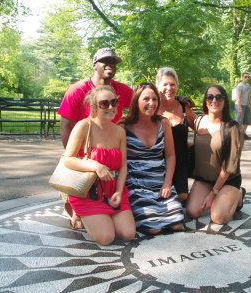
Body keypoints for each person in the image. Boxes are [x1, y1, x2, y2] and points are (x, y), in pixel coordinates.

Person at [57, 48, 133, 229]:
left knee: (125, 230)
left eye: (113, 61)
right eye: (105, 61)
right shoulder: (76, 91)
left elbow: (145, 102)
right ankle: (75, 203)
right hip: (85, 153)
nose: (110, 64)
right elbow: (65, 128)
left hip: (111, 153)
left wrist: (176, 101)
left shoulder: (122, 90)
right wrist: (77, 160)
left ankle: (108, 211)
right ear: (94, 65)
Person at [63, 85, 135, 245]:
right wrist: (96, 166)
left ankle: (102, 218)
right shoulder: (84, 126)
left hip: (112, 189)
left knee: (128, 234)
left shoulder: (119, 131)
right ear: (94, 106)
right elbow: (68, 159)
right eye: (104, 103)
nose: (111, 107)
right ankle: (78, 211)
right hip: (89, 192)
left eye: (114, 102)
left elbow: (123, 165)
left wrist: (118, 191)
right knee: (106, 237)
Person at [119, 82, 184, 234]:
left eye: (154, 99)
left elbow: (170, 155)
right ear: (136, 101)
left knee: (176, 224)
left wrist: (167, 184)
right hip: (136, 182)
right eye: (146, 99)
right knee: (153, 228)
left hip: (160, 181)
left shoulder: (163, 123)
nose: (151, 103)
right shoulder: (123, 126)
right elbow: (119, 160)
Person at [186, 84, 246, 225]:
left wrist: (213, 194)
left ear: (225, 101)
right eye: (210, 97)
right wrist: (183, 101)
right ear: (205, 101)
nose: (214, 100)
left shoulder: (233, 128)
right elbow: (184, 115)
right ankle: (219, 197)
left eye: (219, 97)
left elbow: (229, 167)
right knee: (192, 211)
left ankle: (239, 194)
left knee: (218, 218)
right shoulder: (199, 121)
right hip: (204, 178)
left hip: (228, 180)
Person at [156, 67, 196, 204]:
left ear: (177, 86)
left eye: (172, 84)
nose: (169, 88)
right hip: (158, 163)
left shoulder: (184, 108)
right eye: (165, 84)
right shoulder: (152, 108)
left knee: (182, 197)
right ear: (158, 86)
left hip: (180, 163)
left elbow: (201, 127)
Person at [235, 73, 251, 140]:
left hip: (246, 105)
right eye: (245, 77)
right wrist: (239, 107)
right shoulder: (239, 86)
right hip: (239, 105)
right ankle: (237, 135)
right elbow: (238, 97)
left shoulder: (247, 85)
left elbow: (248, 95)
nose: (247, 78)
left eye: (248, 77)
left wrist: (250, 105)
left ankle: (243, 134)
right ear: (242, 77)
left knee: (246, 121)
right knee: (239, 121)